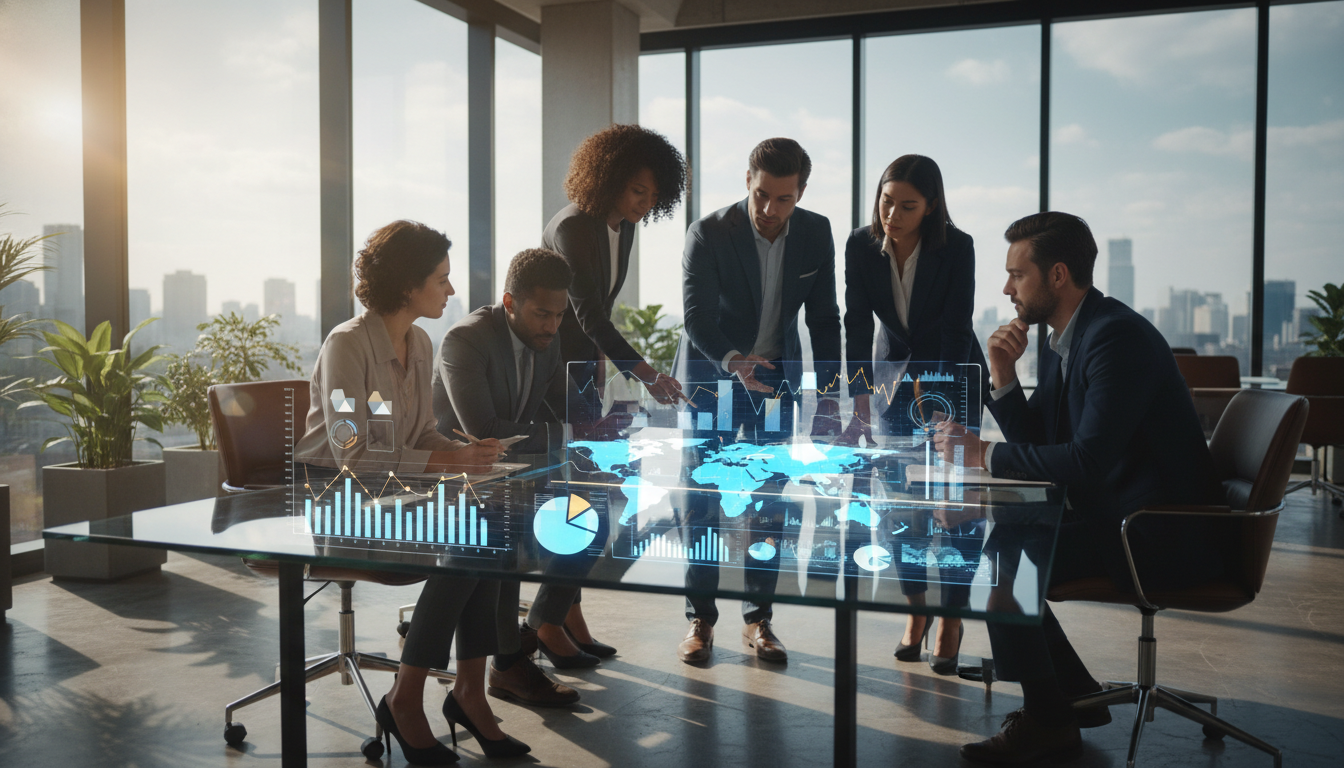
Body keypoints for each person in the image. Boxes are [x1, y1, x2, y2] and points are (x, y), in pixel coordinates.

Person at [931, 212, 1225, 764]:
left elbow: (1086, 461)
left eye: (1017, 274)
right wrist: (1003, 375)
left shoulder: (1114, 338)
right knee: (1006, 545)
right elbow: (1044, 446)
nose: (1007, 288)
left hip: (1159, 534)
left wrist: (984, 454)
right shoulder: (1068, 339)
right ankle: (1069, 698)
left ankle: (1052, 718)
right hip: (1120, 515)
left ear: (1058, 275)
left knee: (1004, 567)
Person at [295, 219, 524, 765]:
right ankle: (406, 698)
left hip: (394, 494)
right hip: (337, 499)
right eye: (441, 279)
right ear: (406, 285)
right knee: (468, 543)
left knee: (492, 528)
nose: (451, 289)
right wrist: (448, 461)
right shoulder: (347, 346)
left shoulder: (419, 342)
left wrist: (468, 453)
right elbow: (352, 455)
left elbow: (419, 433)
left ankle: (468, 693)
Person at [671, 137, 843, 664]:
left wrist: (829, 395)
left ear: (801, 193)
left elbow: (824, 319)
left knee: (770, 499)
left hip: (773, 382)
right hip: (715, 379)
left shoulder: (815, 232)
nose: (769, 208)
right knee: (703, 495)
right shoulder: (708, 233)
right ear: (748, 180)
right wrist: (732, 360)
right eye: (762, 194)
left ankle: (758, 619)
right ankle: (701, 618)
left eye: (783, 199)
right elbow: (696, 317)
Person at [535, 123, 688, 666]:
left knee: (587, 495)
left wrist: (605, 370)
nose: (645, 204)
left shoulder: (622, 226)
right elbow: (588, 314)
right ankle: (547, 622)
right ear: (608, 179)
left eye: (652, 194)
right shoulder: (573, 227)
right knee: (579, 498)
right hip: (554, 374)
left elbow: (598, 315)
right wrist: (647, 373)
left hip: (585, 371)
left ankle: (565, 615)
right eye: (636, 191)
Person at [431, 247, 603, 706]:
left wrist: (605, 426)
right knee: (503, 524)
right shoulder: (465, 340)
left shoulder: (548, 341)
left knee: (592, 511)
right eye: (542, 314)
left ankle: (544, 623)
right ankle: (507, 665)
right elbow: (484, 431)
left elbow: (571, 407)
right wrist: (574, 433)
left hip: (510, 475)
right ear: (509, 302)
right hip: (454, 482)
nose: (552, 325)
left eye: (559, 315)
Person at [840, 154, 979, 673]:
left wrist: (942, 401)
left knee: (956, 503)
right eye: (886, 201)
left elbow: (957, 328)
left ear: (931, 206)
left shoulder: (957, 246)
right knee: (902, 507)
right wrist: (859, 395)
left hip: (952, 376)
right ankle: (917, 611)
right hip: (891, 383)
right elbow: (857, 322)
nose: (892, 215)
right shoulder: (860, 245)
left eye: (907, 206)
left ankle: (951, 617)